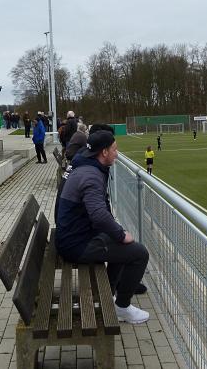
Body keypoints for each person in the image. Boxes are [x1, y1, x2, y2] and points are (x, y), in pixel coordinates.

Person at [56, 131, 150, 324]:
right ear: (104, 152)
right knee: (139, 253)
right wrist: (121, 234)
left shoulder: (87, 166)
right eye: (115, 149)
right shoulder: (91, 175)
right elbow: (98, 215)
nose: (117, 153)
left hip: (73, 237)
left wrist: (117, 233)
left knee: (121, 245)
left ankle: (108, 294)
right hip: (75, 245)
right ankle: (122, 308)